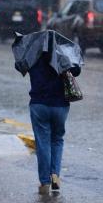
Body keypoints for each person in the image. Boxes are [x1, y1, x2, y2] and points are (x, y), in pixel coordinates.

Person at [28, 51, 81, 194]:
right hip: (60, 106)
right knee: (57, 140)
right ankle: (55, 176)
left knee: (43, 142)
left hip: (39, 105)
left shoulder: (33, 56)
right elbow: (77, 70)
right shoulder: (63, 57)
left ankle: (44, 182)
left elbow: (19, 65)